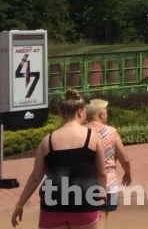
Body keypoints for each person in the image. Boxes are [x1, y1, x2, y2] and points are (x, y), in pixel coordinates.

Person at [11, 89, 106, 229]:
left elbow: (35, 177)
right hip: (84, 202)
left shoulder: (47, 141)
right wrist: (102, 193)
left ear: (62, 113)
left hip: (52, 204)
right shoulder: (92, 137)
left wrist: (20, 205)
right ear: (80, 112)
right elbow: (102, 173)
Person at [85, 99, 132, 226]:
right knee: (101, 219)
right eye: (106, 112)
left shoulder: (81, 132)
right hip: (107, 184)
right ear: (101, 114)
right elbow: (125, 159)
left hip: (83, 183)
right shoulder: (111, 132)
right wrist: (127, 173)